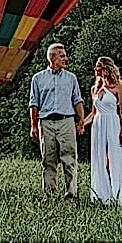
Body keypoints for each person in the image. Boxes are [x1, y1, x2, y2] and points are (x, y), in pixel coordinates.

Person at [28, 43, 85, 200]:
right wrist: (33, 125)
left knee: (70, 159)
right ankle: (50, 195)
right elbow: (34, 104)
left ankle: (71, 195)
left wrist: (81, 121)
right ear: (52, 57)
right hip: (46, 122)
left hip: (66, 120)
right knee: (48, 160)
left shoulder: (71, 78)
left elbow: (77, 100)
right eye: (62, 56)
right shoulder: (37, 79)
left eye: (65, 55)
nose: (66, 59)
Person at [84, 56, 122, 205]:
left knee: (113, 158)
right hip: (98, 125)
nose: (95, 69)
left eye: (97, 67)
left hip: (113, 123)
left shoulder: (118, 87)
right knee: (99, 159)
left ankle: (121, 195)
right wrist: (81, 124)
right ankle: (102, 195)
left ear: (105, 68)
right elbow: (93, 113)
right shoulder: (95, 88)